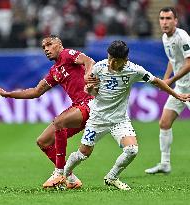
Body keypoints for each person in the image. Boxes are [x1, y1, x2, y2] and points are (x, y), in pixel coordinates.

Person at [54, 40, 190, 190]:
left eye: (116, 61)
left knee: (132, 150)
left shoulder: (135, 71)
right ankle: (65, 174)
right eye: (110, 58)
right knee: (83, 153)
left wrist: (176, 94)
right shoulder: (99, 67)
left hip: (119, 120)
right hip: (97, 118)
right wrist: (90, 88)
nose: (111, 63)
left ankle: (111, 177)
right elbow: (91, 92)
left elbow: (157, 82)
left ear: (125, 60)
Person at [0, 35, 96, 188]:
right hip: (79, 107)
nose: (46, 49)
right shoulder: (55, 71)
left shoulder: (67, 55)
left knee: (59, 121)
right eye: (43, 47)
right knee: (43, 141)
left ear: (59, 44)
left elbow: (88, 61)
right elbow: (36, 91)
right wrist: (8, 94)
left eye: (49, 44)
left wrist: (88, 74)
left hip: (90, 104)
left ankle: (59, 172)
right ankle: (71, 179)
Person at [145, 7, 190, 174]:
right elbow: (173, 60)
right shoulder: (165, 38)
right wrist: (165, 80)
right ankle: (165, 163)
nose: (164, 22)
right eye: (162, 18)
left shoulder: (182, 37)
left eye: (168, 18)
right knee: (164, 123)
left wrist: (171, 80)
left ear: (176, 21)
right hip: (181, 88)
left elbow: (189, 63)